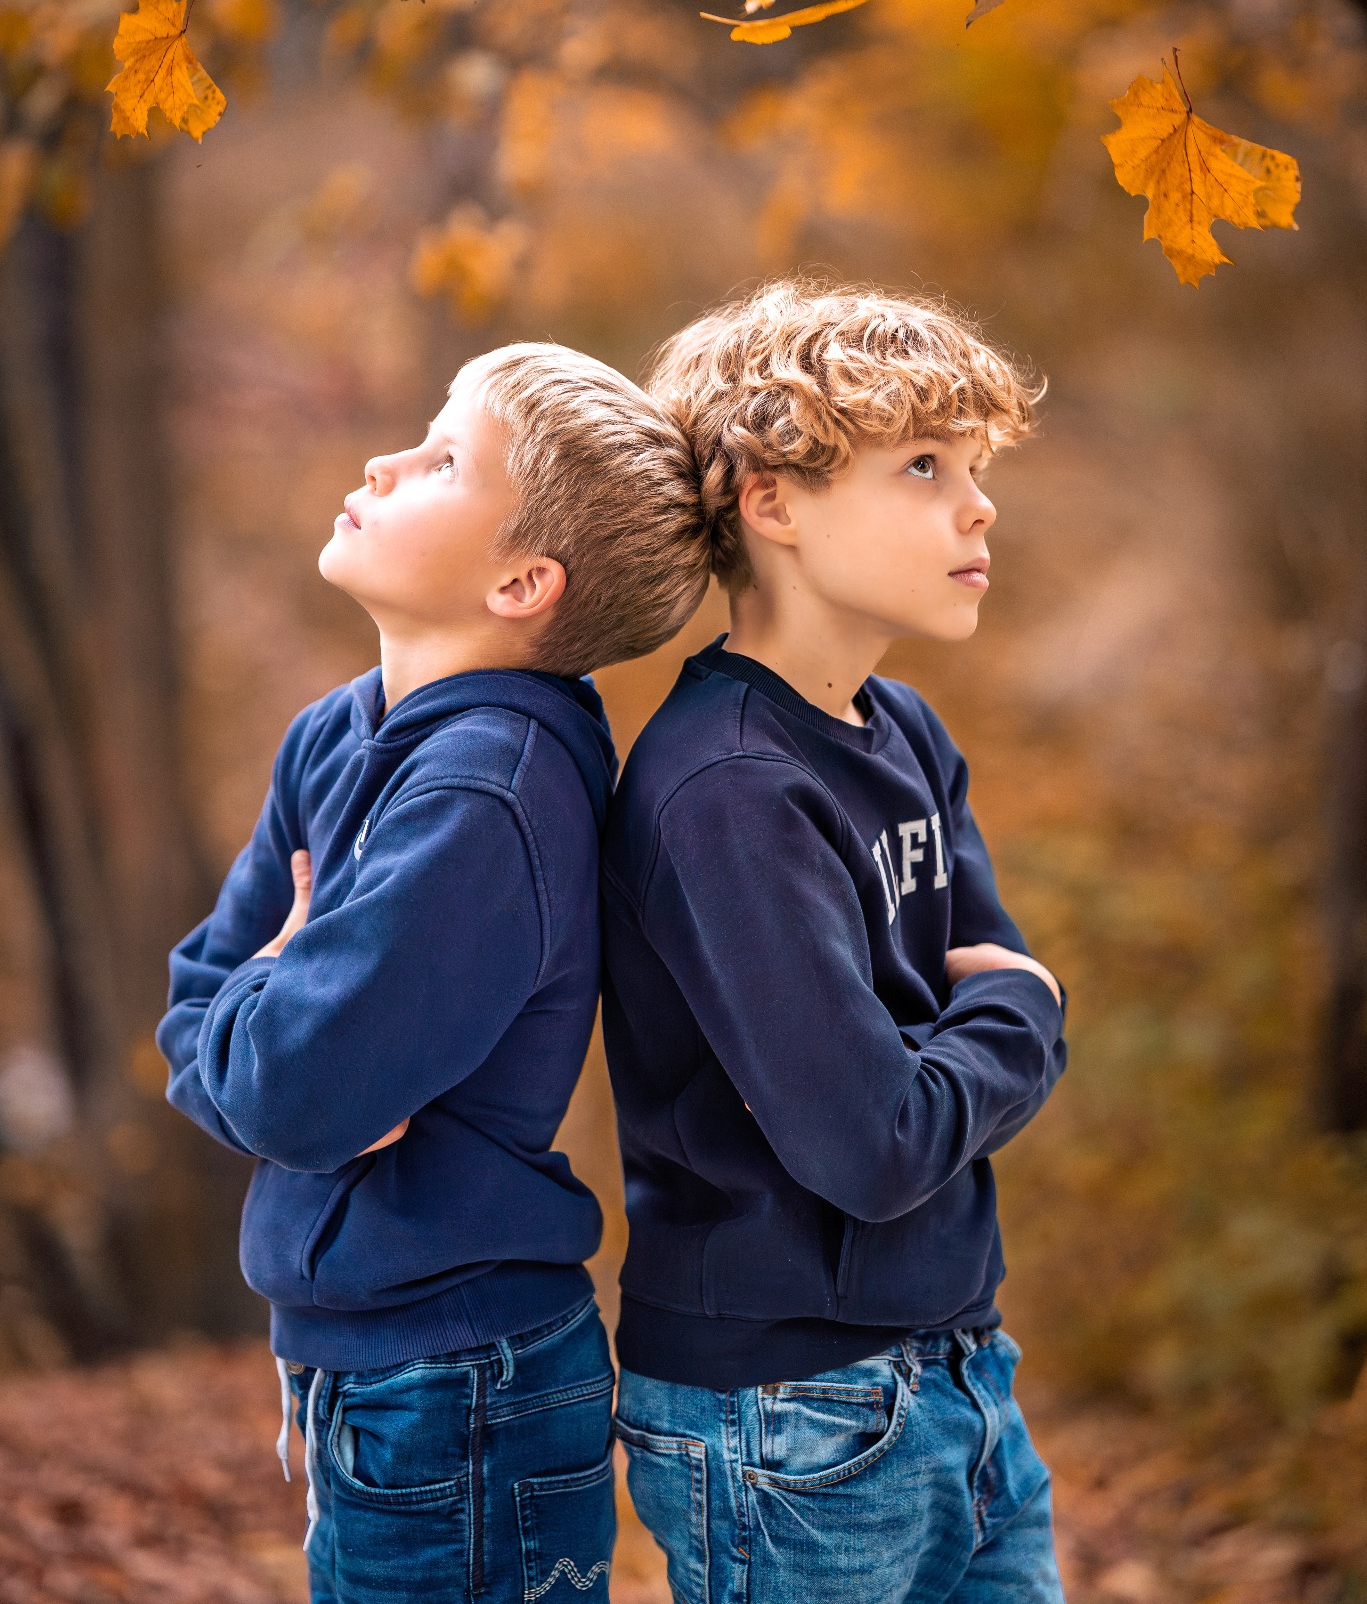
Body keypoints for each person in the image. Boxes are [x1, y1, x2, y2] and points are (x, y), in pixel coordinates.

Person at [157, 342, 710, 1604]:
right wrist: (279, 1007)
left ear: (523, 580)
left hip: (461, 1384)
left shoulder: (487, 793)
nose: (384, 460)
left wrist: (282, 1025)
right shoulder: (336, 732)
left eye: (444, 457)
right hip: (367, 1365)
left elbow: (289, 1092)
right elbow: (197, 1005)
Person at [600, 279, 1069, 1604]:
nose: (974, 506)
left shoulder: (902, 731)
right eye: (922, 466)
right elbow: (879, 1138)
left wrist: (987, 1021)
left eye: (973, 468)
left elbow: (980, 992)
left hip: (958, 1364)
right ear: (771, 500)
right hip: (789, 1411)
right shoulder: (726, 789)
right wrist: (1020, 1015)